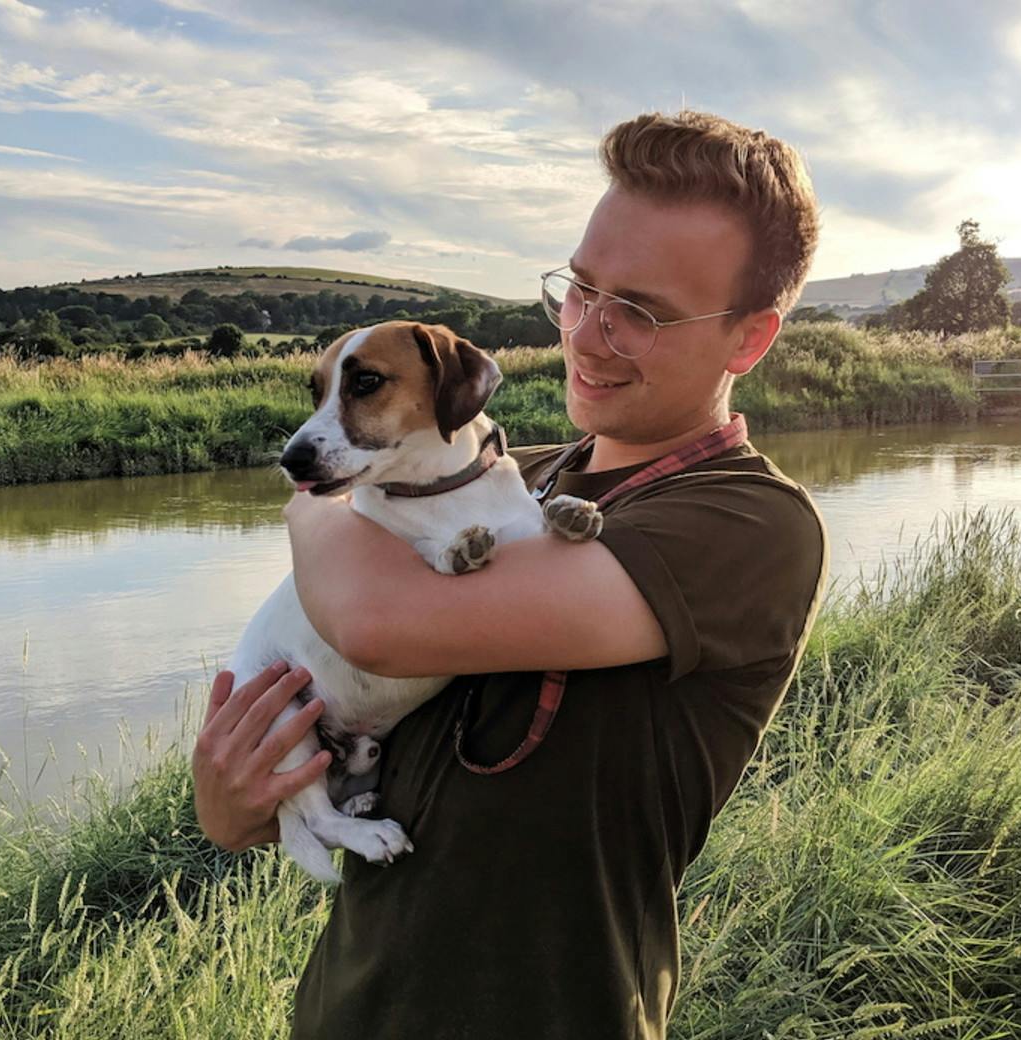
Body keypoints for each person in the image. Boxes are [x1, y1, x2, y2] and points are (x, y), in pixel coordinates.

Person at [193, 110, 828, 1039]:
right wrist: (230, 803)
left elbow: (371, 620)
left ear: (749, 338)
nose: (589, 334)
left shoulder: (747, 525)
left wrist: (313, 487)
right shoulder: (510, 482)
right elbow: (324, 715)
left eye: (641, 311)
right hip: (349, 1011)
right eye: (580, 287)